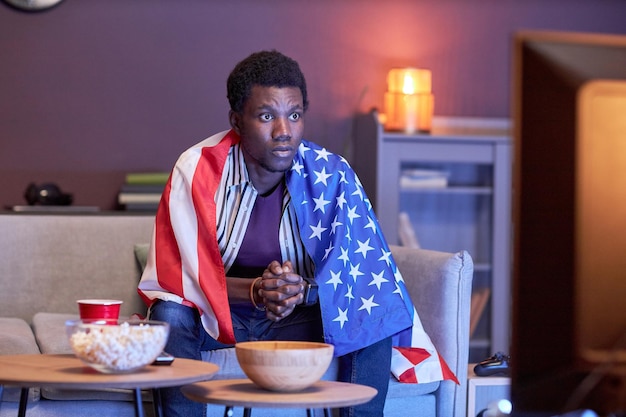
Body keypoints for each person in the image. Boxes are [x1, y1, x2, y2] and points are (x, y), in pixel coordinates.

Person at [138, 50, 419, 417]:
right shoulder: (198, 170)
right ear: (237, 121)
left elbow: (358, 278)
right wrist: (257, 290)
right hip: (222, 320)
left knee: (374, 311)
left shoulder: (333, 176)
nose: (284, 131)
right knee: (169, 315)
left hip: (298, 318)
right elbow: (182, 280)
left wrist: (301, 291)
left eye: (295, 115)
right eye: (267, 116)